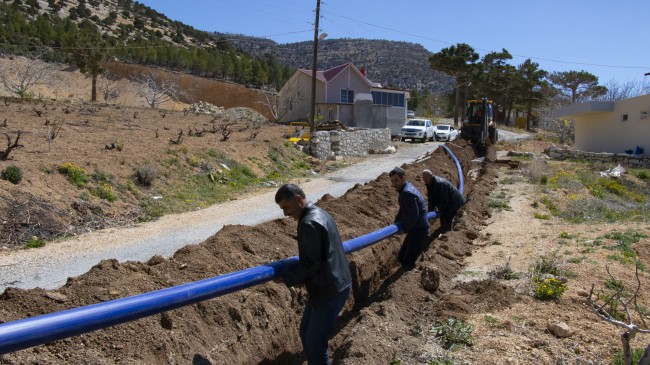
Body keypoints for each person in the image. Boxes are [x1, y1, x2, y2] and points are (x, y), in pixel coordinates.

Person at [274, 184, 352, 365]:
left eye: (286, 207)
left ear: (299, 200)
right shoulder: (319, 213)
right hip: (330, 284)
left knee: (315, 342)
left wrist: (287, 278)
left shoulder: (309, 223)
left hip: (329, 289)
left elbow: (312, 263)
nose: (285, 214)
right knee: (305, 331)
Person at [388, 167, 430, 270]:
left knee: (407, 262)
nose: (394, 184)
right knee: (401, 257)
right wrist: (396, 222)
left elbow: (413, 215)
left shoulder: (406, 193)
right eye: (392, 181)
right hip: (416, 230)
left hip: (419, 232)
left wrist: (403, 229)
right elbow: (403, 210)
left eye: (396, 180)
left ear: (404, 179)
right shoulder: (407, 189)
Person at [421, 169, 466, 235]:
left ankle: (447, 235)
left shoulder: (439, 184)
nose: (424, 179)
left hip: (455, 202)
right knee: (443, 217)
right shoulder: (429, 183)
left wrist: (439, 213)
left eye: (426, 177)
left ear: (431, 176)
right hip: (449, 202)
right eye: (423, 177)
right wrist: (430, 211)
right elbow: (431, 199)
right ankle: (444, 231)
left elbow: (444, 200)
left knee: (447, 218)